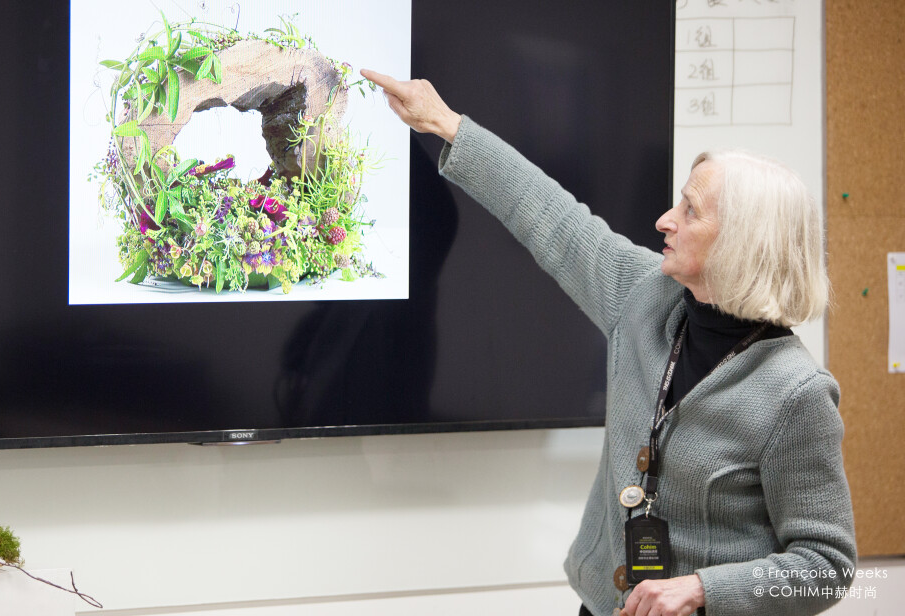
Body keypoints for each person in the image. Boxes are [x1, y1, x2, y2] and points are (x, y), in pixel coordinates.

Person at [359, 69, 857, 616]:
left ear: (742, 242)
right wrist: (446, 124)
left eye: (689, 210)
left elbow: (826, 568)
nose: (665, 219)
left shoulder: (796, 394)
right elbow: (551, 217)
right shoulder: (645, 296)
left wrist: (702, 589)